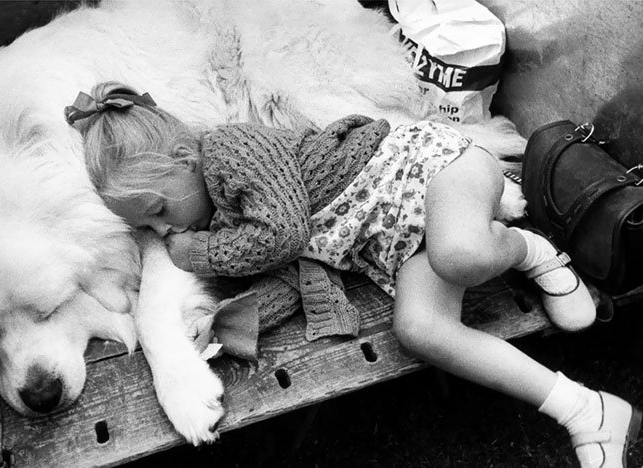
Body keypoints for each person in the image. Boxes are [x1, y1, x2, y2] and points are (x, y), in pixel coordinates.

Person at [66, 81, 640, 468]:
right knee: (420, 330)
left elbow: (284, 234)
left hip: (428, 169)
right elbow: (291, 274)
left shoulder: (231, 152)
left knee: (459, 254)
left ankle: (528, 249)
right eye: (150, 228)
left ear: (184, 161)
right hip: (402, 238)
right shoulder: (223, 219)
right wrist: (223, 323)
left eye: (158, 212)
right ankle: (586, 411)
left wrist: (198, 255)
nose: (164, 234)